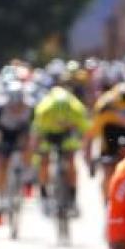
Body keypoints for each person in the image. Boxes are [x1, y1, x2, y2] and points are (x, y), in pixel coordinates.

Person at [31, 84, 90, 219]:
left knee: (71, 162)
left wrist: (83, 147)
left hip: (67, 136)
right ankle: (44, 193)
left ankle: (73, 197)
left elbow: (86, 130)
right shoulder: (44, 108)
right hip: (48, 135)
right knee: (44, 161)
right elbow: (36, 131)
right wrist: (36, 152)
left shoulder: (76, 107)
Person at [0, 81, 34, 223]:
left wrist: (30, 150)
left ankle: (25, 178)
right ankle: (2, 198)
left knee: (27, 152)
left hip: (21, 135)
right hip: (5, 136)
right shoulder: (0, 108)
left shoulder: (30, 108)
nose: (15, 109)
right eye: (13, 106)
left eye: (18, 105)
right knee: (1, 164)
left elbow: (33, 133)